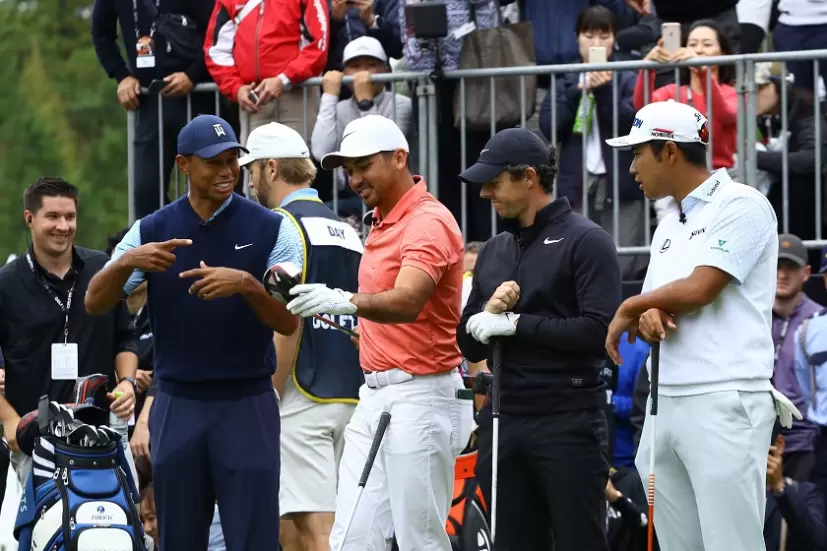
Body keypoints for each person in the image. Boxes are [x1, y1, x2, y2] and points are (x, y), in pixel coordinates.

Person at [84, 114, 304, 551]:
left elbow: (287, 321)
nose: (227, 171)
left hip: (247, 403)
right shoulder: (151, 230)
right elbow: (94, 301)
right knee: (178, 539)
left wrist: (248, 286)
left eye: (233, 160)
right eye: (214, 162)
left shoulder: (275, 228)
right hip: (178, 404)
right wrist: (127, 263)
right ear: (183, 165)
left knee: (254, 540)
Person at [604, 100, 798, 551]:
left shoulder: (744, 204)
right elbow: (656, 309)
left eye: (638, 154)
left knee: (732, 544)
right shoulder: (668, 224)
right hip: (666, 401)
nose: (631, 168)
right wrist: (646, 312)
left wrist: (632, 304)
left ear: (670, 152)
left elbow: (700, 289)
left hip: (724, 398)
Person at [284, 114, 474, 551]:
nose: (354, 179)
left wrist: (344, 301)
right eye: (349, 170)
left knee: (420, 541)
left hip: (421, 397)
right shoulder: (379, 219)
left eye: (364, 165)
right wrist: (369, 335)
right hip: (376, 397)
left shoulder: (428, 221)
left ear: (399, 158)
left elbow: (407, 301)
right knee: (351, 539)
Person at [455, 127, 622, 551]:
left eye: (494, 182)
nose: (484, 193)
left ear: (528, 177)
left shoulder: (588, 240)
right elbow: (469, 344)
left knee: (579, 543)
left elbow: (599, 332)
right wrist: (487, 313)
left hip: (569, 419)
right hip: (504, 420)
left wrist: (516, 324)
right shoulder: (494, 249)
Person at [240, 122, 363, 551]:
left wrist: (268, 398)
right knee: (294, 528)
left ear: (272, 169)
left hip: (300, 392)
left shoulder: (278, 225)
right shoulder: (347, 229)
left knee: (317, 531)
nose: (248, 181)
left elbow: (286, 318)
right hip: (350, 389)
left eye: (252, 170)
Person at [0, 177, 138, 485]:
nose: (63, 226)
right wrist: (9, 422)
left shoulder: (102, 269)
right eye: (52, 216)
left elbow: (124, 337)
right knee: (45, 518)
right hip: (36, 440)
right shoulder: (6, 284)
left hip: (103, 434)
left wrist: (128, 383)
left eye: (70, 216)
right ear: (29, 219)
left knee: (119, 515)